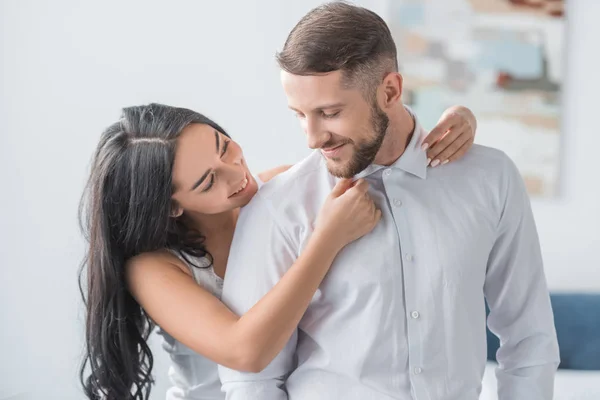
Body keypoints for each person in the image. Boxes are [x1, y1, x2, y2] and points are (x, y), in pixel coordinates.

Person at [218, 3, 560, 400]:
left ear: (390, 91)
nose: (312, 137)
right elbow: (251, 383)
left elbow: (529, 338)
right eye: (299, 114)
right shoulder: (278, 207)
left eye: (329, 113)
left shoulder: (489, 178)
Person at [79, 99, 479, 400]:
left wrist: (458, 119)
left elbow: (382, 163)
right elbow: (245, 352)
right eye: (207, 182)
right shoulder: (153, 268)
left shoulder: (276, 194)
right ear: (171, 206)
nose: (237, 173)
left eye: (223, 146)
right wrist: (327, 240)